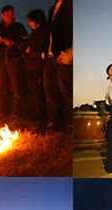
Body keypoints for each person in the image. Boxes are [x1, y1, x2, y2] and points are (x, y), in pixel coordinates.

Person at [0, 6, 28, 118]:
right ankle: (1, 112)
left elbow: (25, 42)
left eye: (12, 14)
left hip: (14, 59)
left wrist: (13, 43)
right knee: (1, 86)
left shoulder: (19, 27)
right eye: (7, 14)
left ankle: (17, 113)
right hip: (1, 60)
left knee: (17, 86)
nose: (10, 17)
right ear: (2, 15)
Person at [43, 0, 73, 130]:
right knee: (50, 89)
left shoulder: (71, 5)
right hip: (50, 56)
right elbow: (49, 32)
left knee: (66, 90)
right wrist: (44, 51)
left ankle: (70, 122)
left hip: (63, 54)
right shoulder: (52, 9)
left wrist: (71, 51)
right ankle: (53, 121)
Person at [24, 9, 48, 123]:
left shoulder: (43, 33)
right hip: (30, 66)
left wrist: (30, 50)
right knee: (32, 92)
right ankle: (35, 115)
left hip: (38, 67)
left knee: (38, 92)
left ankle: (42, 117)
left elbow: (43, 50)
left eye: (30, 21)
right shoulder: (34, 33)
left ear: (37, 21)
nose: (29, 23)